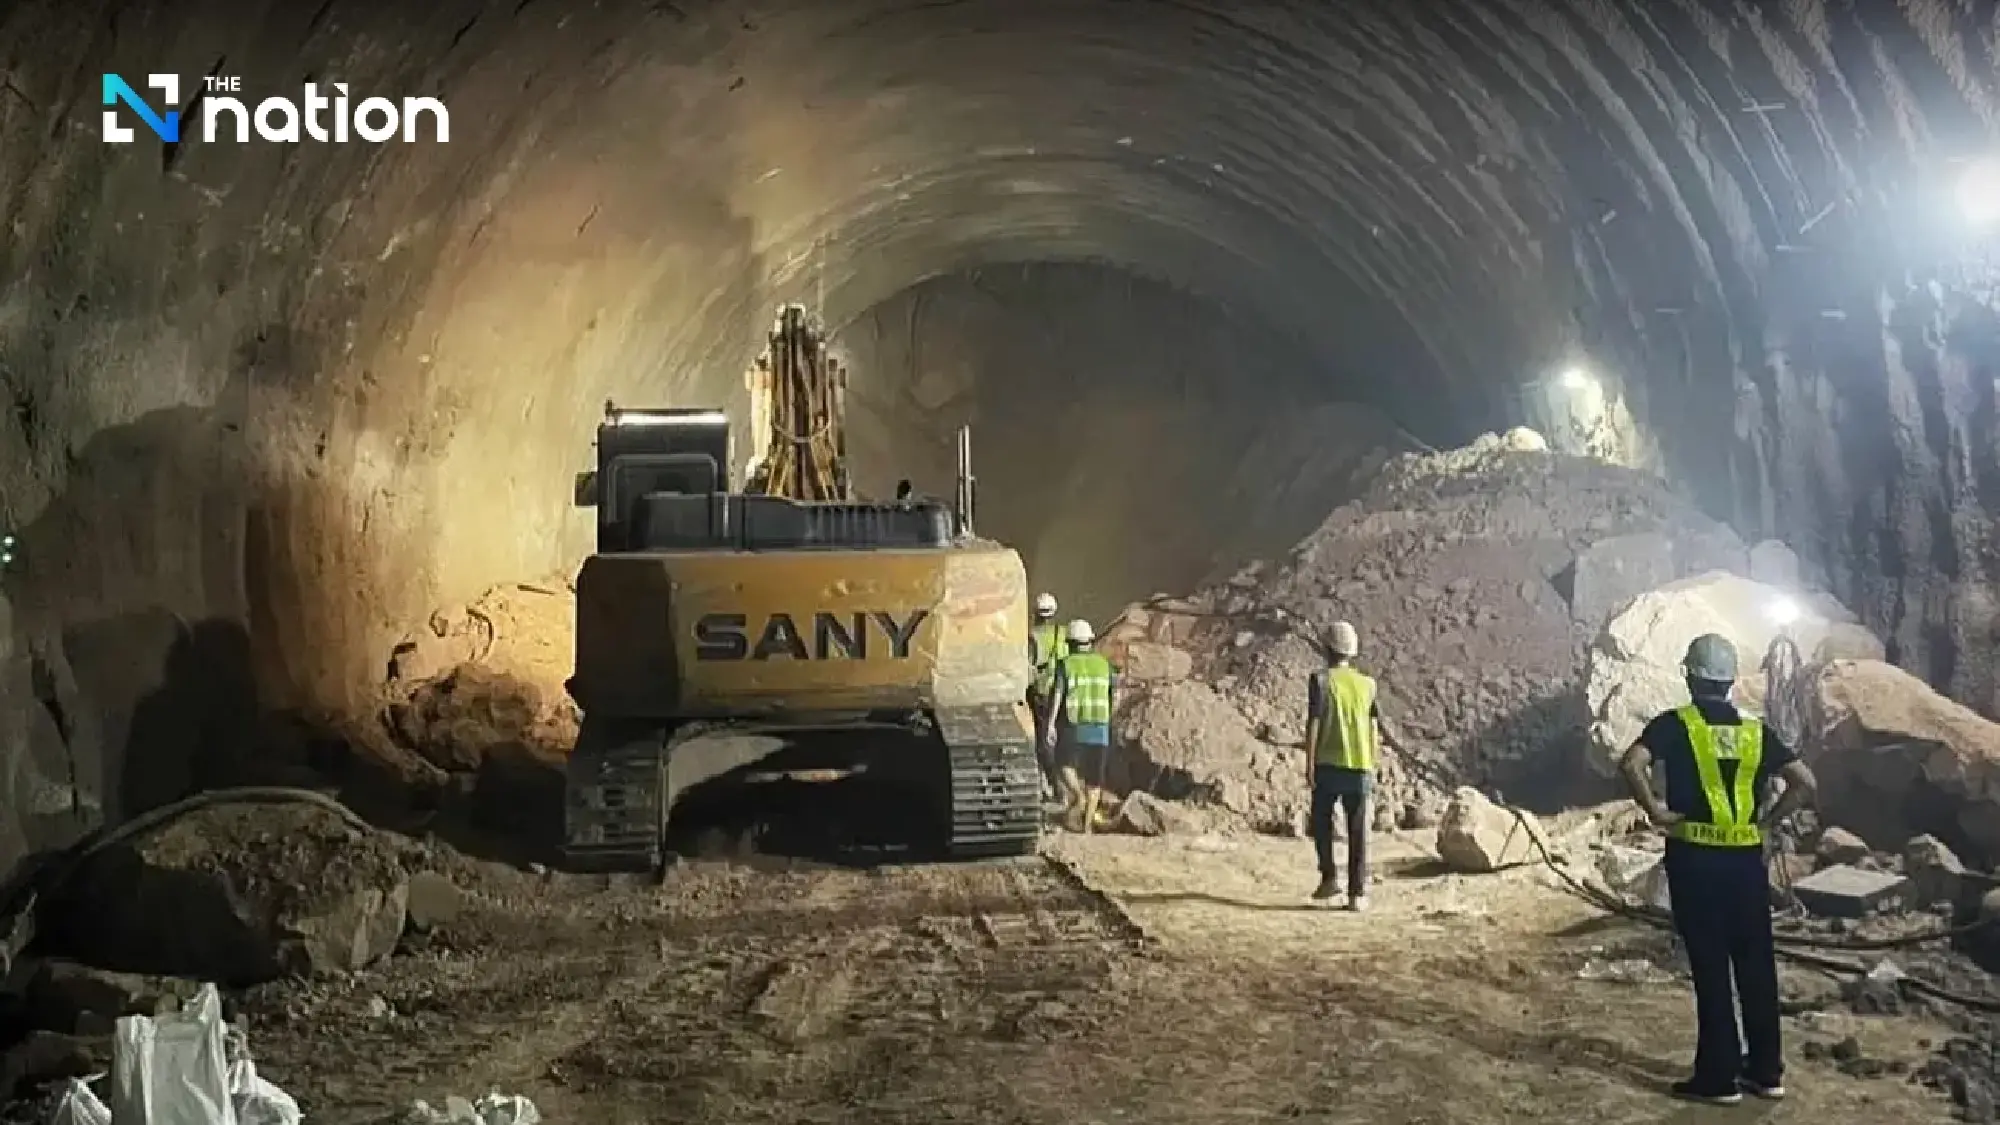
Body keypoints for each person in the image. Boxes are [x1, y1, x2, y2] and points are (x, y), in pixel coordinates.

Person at [1617, 633, 1818, 1106]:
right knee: (1755, 964)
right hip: (1746, 865)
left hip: (1696, 862)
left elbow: (1631, 764)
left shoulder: (1675, 724)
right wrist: (1767, 824)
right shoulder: (1755, 729)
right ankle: (1766, 1072)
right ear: (1729, 682)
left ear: (1690, 677)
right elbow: (1805, 782)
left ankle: (1718, 1076)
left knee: (1710, 965)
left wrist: (1657, 812)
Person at [1303, 621, 1387, 911]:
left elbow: (1313, 724)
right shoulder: (1368, 685)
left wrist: (1309, 763)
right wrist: (1372, 763)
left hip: (1328, 764)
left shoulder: (1320, 681)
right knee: (1359, 831)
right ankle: (1358, 894)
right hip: (1361, 765)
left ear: (1327, 649)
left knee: (1322, 823)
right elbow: (1374, 727)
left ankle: (1329, 879)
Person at [1040, 619, 1115, 831]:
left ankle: (1078, 797)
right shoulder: (1104, 664)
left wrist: (1051, 724)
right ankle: (1087, 826)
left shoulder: (1067, 664)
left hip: (1075, 724)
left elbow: (1057, 694)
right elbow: (1113, 694)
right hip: (1100, 726)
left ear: (1071, 643)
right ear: (1090, 641)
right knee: (1095, 780)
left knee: (1064, 764)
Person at [1027, 593, 1068, 791]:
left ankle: (1052, 784)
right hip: (1062, 690)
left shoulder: (1033, 636)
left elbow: (1029, 665)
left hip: (1042, 692)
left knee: (1042, 739)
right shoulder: (1063, 632)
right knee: (1057, 737)